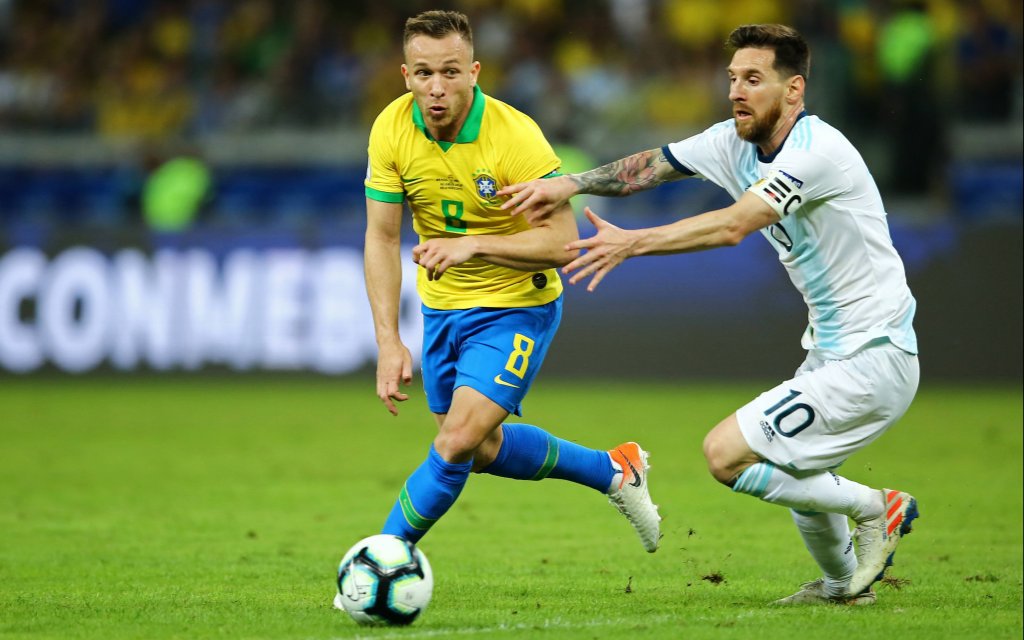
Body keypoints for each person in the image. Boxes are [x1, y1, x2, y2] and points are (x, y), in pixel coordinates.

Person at [499, 23, 919, 605]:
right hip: (832, 351)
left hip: (876, 353)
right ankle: (843, 588)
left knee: (725, 455)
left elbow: (732, 226)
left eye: (753, 79)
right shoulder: (733, 142)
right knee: (797, 481)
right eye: (732, 79)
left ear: (794, 91)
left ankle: (880, 508)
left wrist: (633, 242)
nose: (736, 92)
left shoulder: (817, 152)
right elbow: (651, 165)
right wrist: (568, 183)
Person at [357, 10, 661, 561]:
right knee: (481, 448)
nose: (437, 87)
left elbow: (563, 242)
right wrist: (387, 340)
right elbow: (380, 238)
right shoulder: (391, 128)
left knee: (453, 443)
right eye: (424, 73)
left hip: (517, 304)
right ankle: (615, 470)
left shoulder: (515, 137)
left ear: (475, 71)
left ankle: (380, 560)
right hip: (442, 308)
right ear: (405, 76)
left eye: (450, 72)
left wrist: (473, 243)